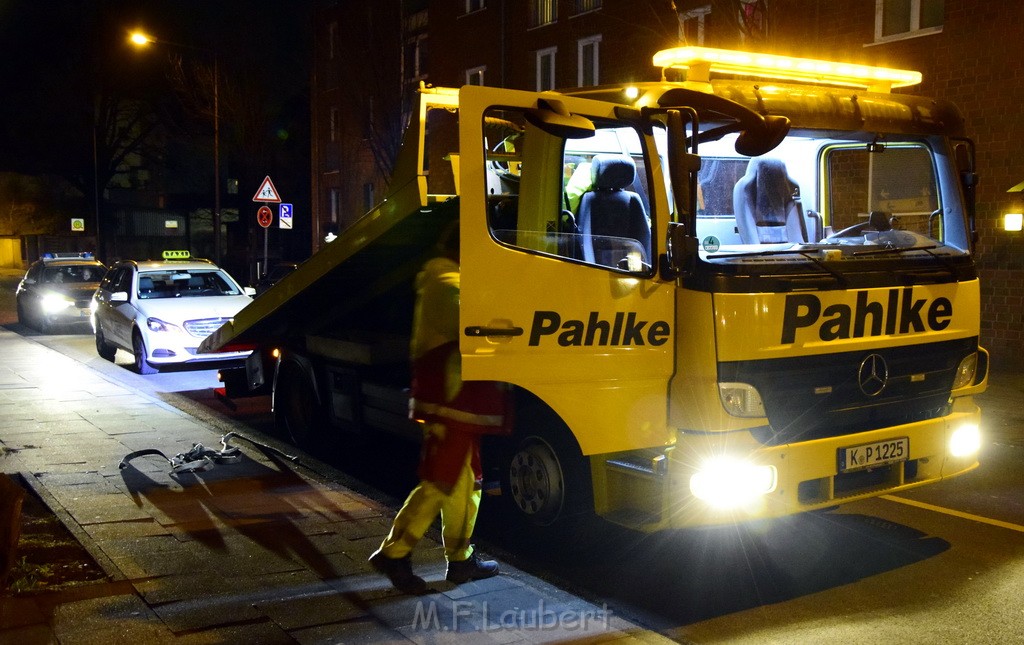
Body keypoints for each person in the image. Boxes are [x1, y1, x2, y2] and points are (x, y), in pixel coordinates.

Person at [369, 222, 512, 594]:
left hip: (455, 402)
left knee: (464, 481)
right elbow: (477, 325)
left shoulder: (445, 279)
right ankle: (395, 552)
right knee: (441, 480)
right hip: (451, 401)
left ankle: (461, 559)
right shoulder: (447, 283)